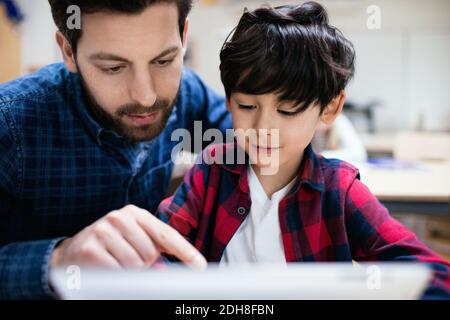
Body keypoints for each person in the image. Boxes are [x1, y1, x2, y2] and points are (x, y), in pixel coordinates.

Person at [157, 1, 450, 299]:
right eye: (247, 106)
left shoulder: (339, 190)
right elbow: (157, 249)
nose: (263, 127)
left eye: (288, 110)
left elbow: (434, 276)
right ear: (229, 101)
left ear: (330, 108)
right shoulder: (212, 171)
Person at [0, 0, 231, 299]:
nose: (146, 97)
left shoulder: (189, 93)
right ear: (68, 51)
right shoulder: (11, 122)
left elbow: (252, 145)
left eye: (163, 60)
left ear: (183, 36)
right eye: (114, 67)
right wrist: (58, 260)